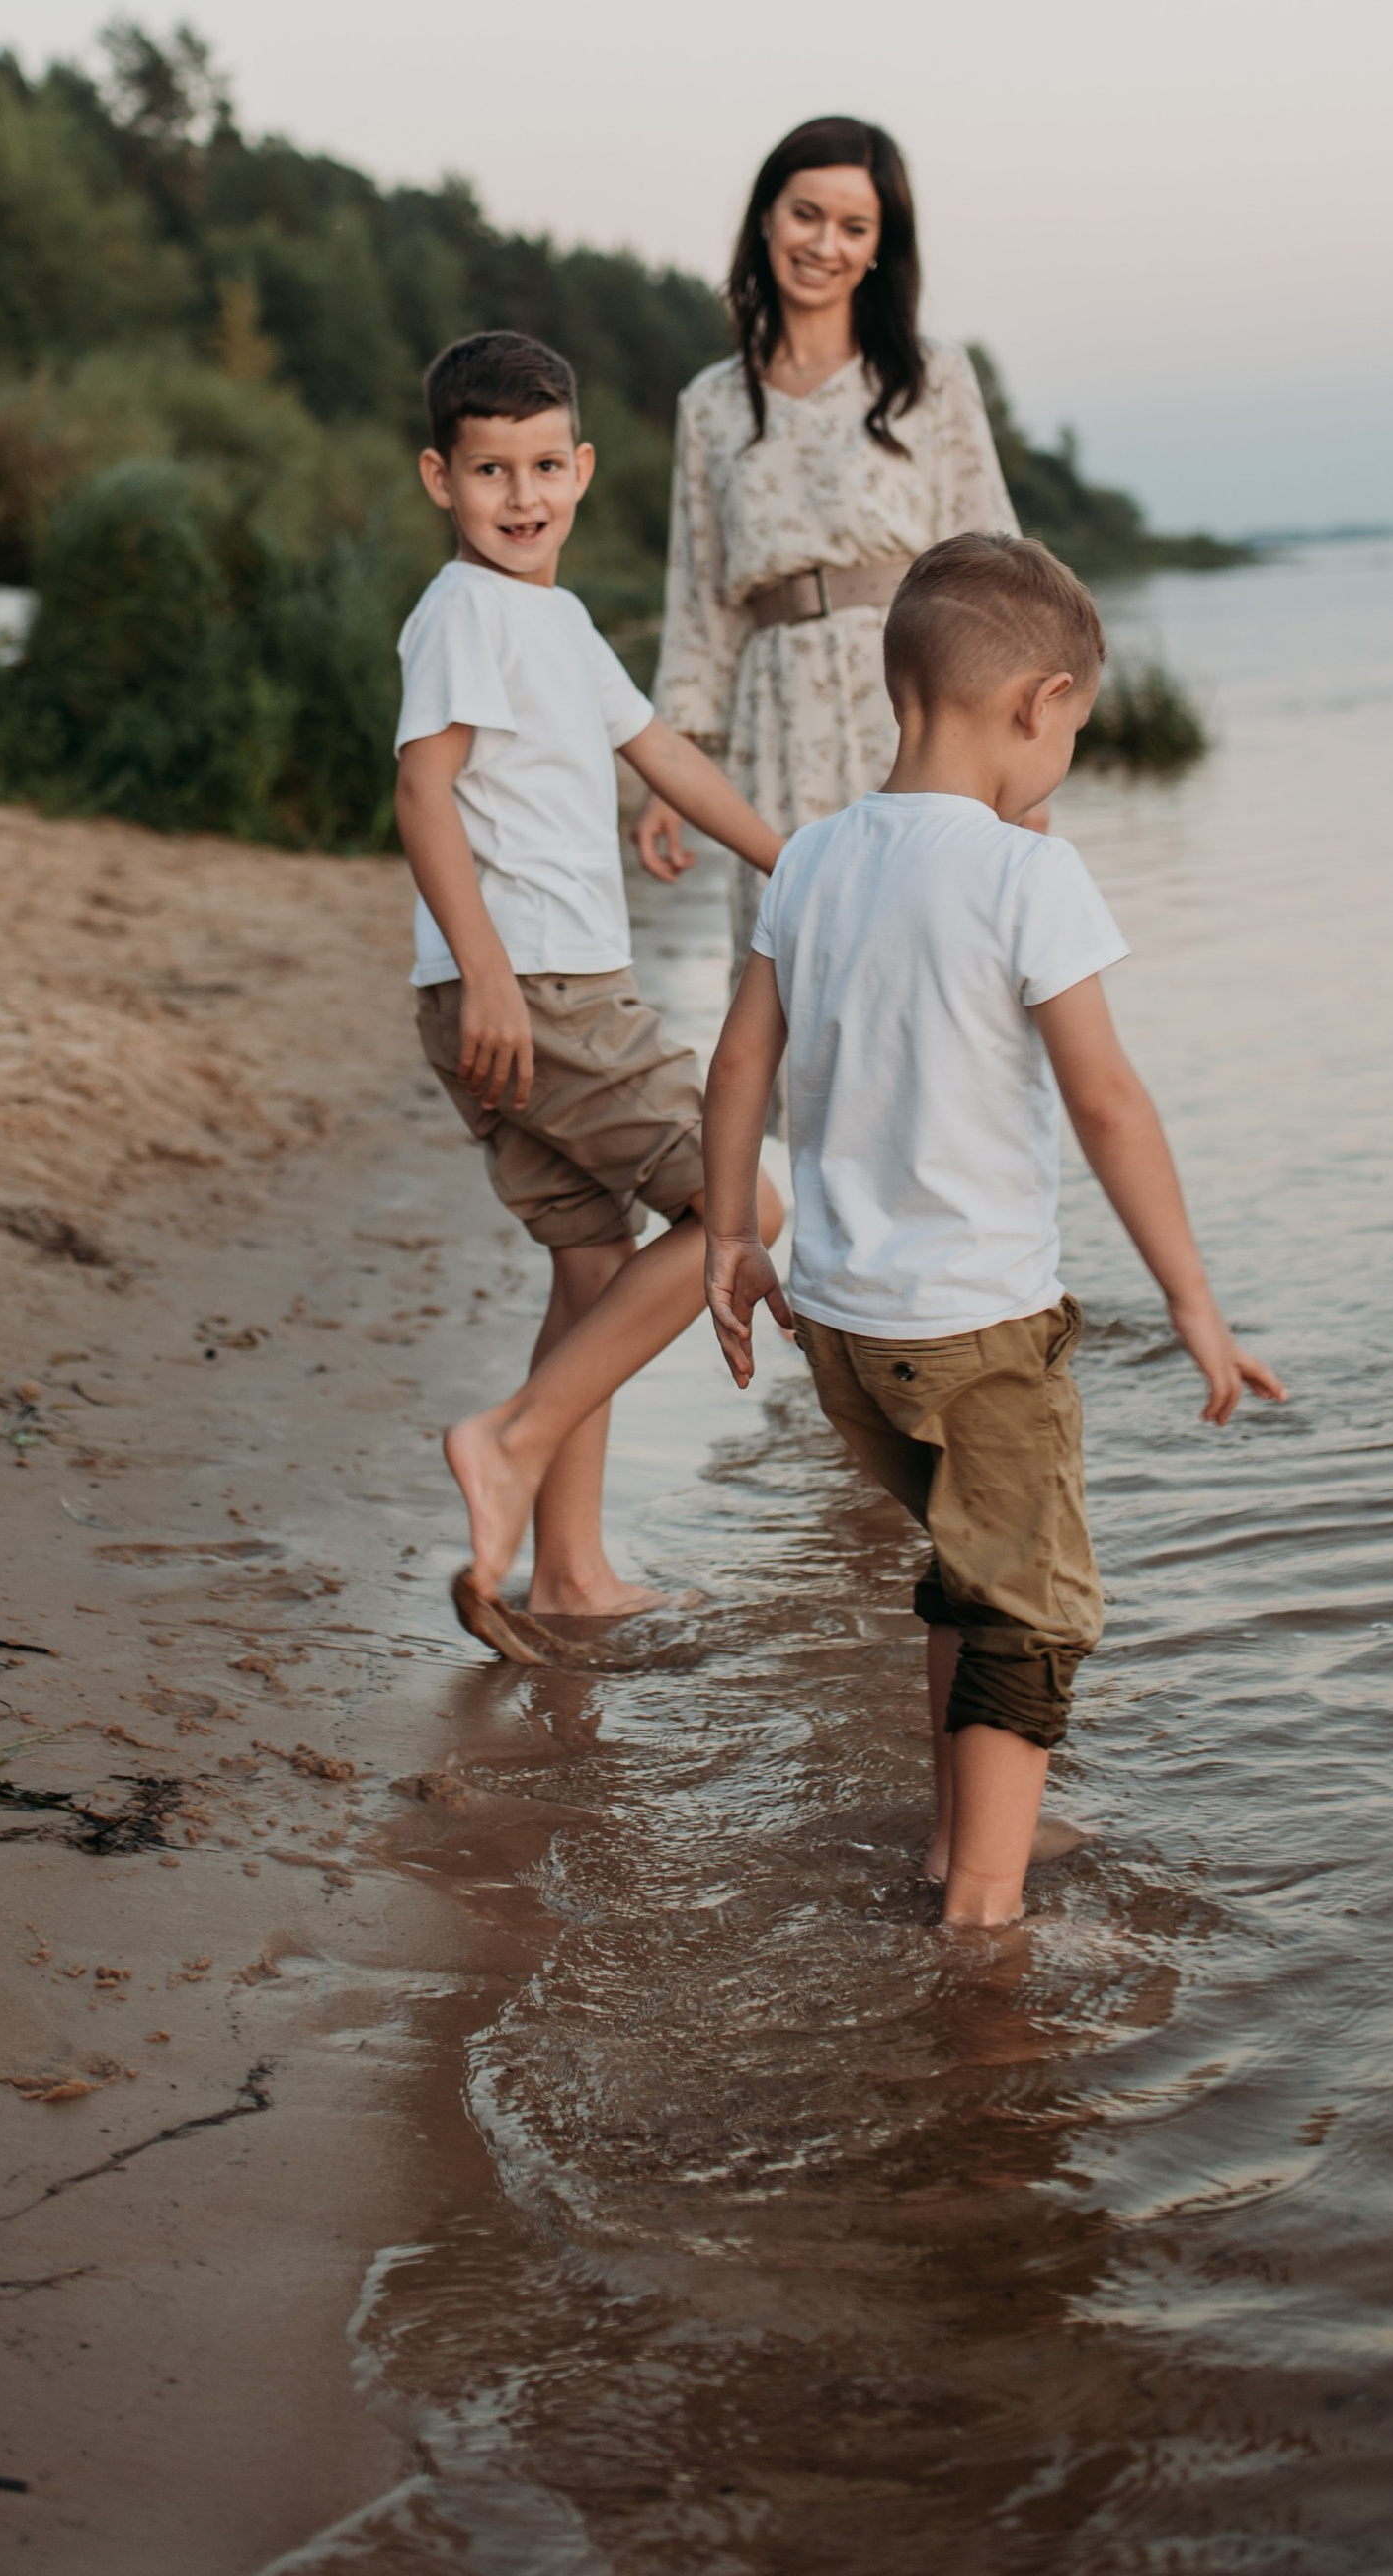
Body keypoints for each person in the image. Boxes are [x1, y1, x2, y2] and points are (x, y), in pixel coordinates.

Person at [698, 533, 1285, 1929]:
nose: (1063, 759)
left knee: (965, 1569)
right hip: (979, 1330)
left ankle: (958, 1833)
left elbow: (736, 1068)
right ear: (1040, 700)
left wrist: (732, 1239)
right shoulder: (1032, 874)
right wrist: (1195, 1302)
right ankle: (980, 1909)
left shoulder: (815, 860)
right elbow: (1109, 1100)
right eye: (1071, 729)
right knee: (1032, 1607)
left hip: (846, 1332)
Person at [396, 328, 786, 1663]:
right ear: (439, 477)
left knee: (594, 1262)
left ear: (584, 470)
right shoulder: (464, 611)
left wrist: (794, 856)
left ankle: (567, 1572)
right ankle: (509, 1442)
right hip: (536, 993)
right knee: (745, 1204)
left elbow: (658, 750)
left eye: (544, 467)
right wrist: (493, 974)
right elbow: (422, 794)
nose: (521, 497)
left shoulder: (554, 621)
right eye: (490, 470)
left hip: (531, 992)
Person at [638, 115, 1023, 964]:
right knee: (790, 972)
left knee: (931, 965)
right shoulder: (711, 404)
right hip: (771, 724)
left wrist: (1018, 761)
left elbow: (994, 575)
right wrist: (673, 771)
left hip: (915, 712)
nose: (825, 244)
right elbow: (698, 599)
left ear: (882, 246)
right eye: (807, 214)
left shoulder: (932, 379)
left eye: (855, 227)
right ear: (767, 218)